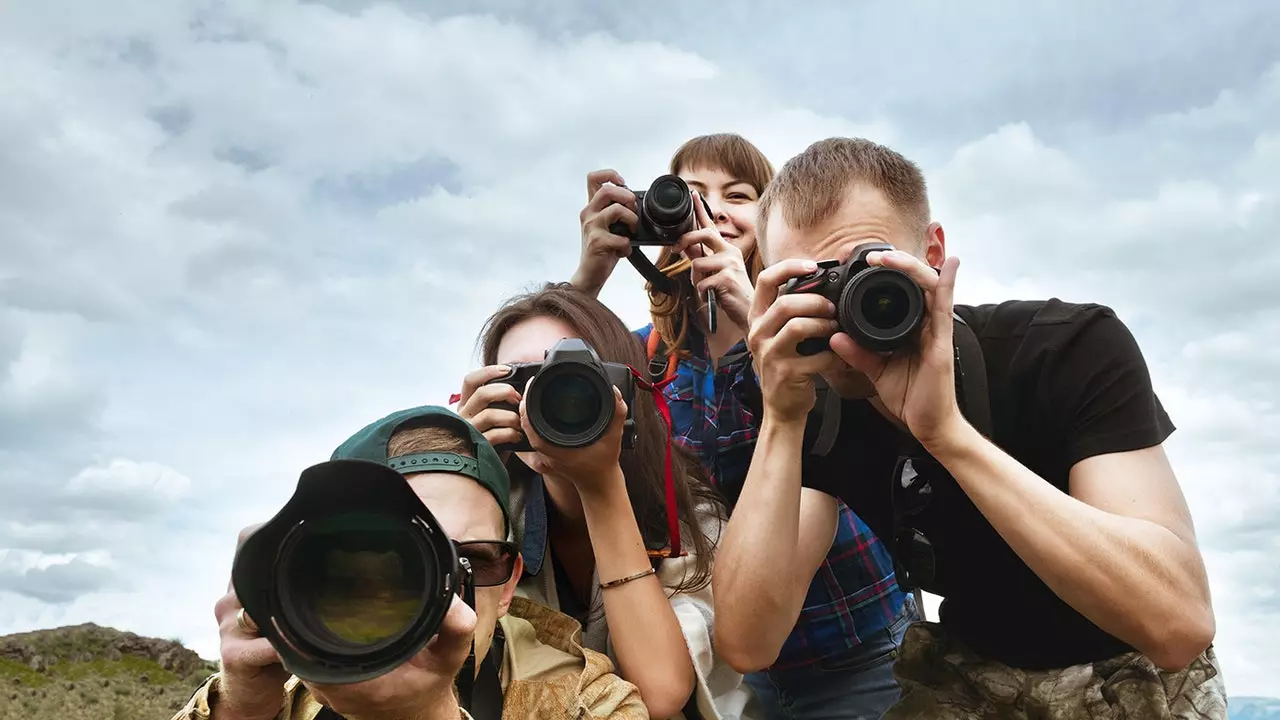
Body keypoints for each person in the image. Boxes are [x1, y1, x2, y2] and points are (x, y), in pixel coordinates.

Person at [713, 136, 1229, 718]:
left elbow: (1177, 623)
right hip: (969, 672)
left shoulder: (1064, 349)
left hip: (1129, 667)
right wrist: (781, 418)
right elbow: (748, 641)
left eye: (870, 274)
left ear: (933, 252)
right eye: (812, 286)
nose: (849, 318)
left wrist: (948, 436)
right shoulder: (819, 403)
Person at [570, 133, 918, 719]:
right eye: (690, 192)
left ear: (771, 218)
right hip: (723, 669)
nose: (711, 210)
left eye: (737, 195)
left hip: (857, 644)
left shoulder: (819, 323)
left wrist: (754, 311)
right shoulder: (647, 356)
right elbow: (547, 394)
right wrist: (588, 279)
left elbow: (850, 423)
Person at [171, 405, 649, 720]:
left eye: (471, 563)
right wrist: (241, 710)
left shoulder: (582, 702)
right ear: (305, 574)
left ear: (507, 585)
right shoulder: (275, 689)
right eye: (384, 562)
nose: (435, 594)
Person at [452, 283, 752, 719]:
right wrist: (460, 467)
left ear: (625, 391)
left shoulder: (689, 516)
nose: (543, 398)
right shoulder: (496, 513)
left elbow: (662, 694)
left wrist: (600, 483)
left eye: (568, 378)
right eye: (521, 379)